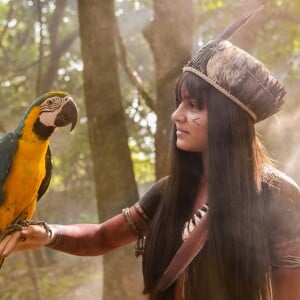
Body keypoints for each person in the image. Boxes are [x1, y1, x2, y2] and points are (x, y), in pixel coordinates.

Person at [1, 9, 300, 300]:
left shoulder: (279, 197)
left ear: (227, 120)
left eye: (194, 105)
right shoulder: (170, 191)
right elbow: (101, 237)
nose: (177, 116)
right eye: (179, 103)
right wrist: (46, 233)